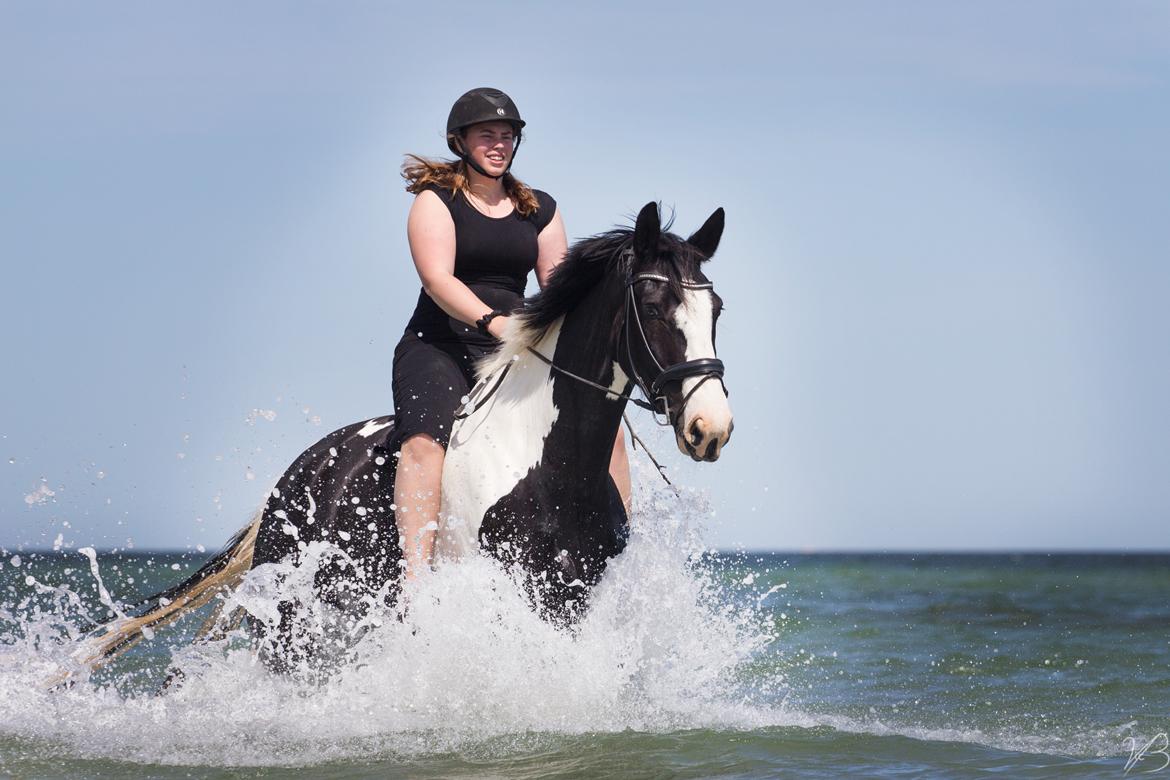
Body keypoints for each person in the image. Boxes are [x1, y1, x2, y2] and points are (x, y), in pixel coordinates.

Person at [393, 87, 631, 581]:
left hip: (519, 349)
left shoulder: (539, 208)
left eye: (508, 135)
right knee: (424, 443)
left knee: (607, 430)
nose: (499, 144)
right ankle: (415, 581)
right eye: (487, 135)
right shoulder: (436, 201)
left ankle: (625, 560)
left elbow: (560, 286)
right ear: (460, 141)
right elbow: (438, 280)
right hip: (442, 346)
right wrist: (493, 322)